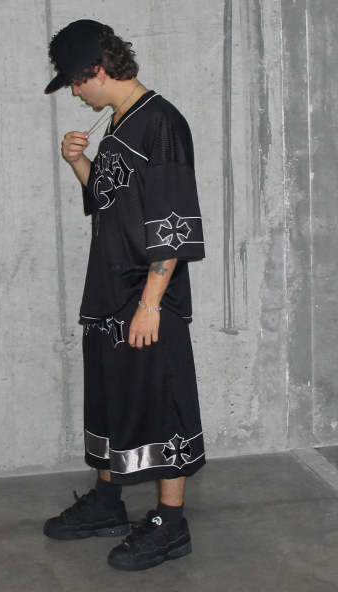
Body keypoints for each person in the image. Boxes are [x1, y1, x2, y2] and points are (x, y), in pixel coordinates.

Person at [42, 19, 207, 571]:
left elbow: (173, 224)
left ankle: (171, 523)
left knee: (162, 404)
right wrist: (79, 163)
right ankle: (108, 502)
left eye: (75, 80)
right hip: (109, 293)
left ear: (97, 69)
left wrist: (150, 304)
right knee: (111, 401)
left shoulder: (160, 122)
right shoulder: (119, 124)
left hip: (144, 298)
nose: (74, 91)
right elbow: (109, 200)